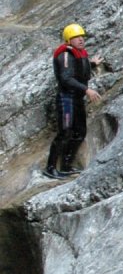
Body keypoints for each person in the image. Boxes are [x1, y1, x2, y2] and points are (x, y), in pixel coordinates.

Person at [43, 23, 103, 180]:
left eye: (82, 36)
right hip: (66, 98)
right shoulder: (65, 55)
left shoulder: (78, 53)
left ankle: (66, 165)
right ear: (69, 40)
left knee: (80, 132)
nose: (81, 39)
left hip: (76, 99)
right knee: (65, 133)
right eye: (76, 37)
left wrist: (92, 64)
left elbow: (77, 69)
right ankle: (50, 168)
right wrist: (86, 90)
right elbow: (66, 77)